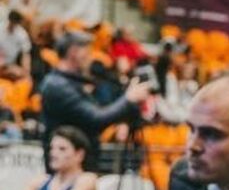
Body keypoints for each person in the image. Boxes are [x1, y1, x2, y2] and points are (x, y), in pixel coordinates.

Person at [37, 30, 150, 170]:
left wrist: (124, 115)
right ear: (73, 52)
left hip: (77, 165)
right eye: (87, 51)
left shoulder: (69, 82)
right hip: (66, 170)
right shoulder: (57, 86)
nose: (90, 56)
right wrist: (128, 99)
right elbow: (96, 119)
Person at [0, 11, 31, 80]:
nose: (12, 25)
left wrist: (27, 72)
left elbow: (26, 55)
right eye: (11, 22)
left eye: (15, 24)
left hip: (10, 65)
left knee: (18, 73)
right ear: (9, 20)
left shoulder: (22, 34)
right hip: (1, 61)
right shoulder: (0, 28)